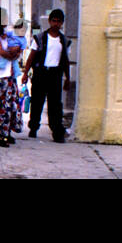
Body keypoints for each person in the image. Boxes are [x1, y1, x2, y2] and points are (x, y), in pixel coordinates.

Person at [22, 8, 71, 142]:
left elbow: (66, 60)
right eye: (53, 21)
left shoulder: (64, 41)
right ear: (49, 22)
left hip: (55, 74)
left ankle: (56, 131)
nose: (56, 24)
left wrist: (67, 78)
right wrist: (26, 73)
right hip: (41, 73)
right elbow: (31, 56)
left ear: (62, 23)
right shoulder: (40, 38)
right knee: (37, 102)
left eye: (58, 21)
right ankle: (33, 127)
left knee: (55, 104)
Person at [0, 18, 21, 148]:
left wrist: (16, 53)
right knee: (1, 106)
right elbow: (1, 52)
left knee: (11, 105)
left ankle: (7, 131)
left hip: (9, 73)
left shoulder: (5, 34)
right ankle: (1, 135)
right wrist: (12, 55)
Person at [3, 19, 29, 133]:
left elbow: (21, 50)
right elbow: (4, 36)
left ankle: (13, 125)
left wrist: (16, 51)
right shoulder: (11, 34)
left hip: (13, 59)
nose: (22, 32)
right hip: (7, 58)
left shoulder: (23, 40)